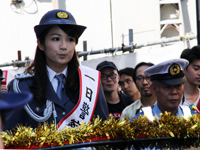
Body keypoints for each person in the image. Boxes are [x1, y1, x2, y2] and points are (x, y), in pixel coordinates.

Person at [4, 9, 109, 131]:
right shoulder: (21, 87)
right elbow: (10, 136)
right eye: (56, 39)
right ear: (41, 44)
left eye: (70, 40)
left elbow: (103, 132)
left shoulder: (90, 81)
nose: (64, 46)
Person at [130, 59, 198, 122]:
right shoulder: (140, 122)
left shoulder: (194, 119)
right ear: (153, 90)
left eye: (178, 86)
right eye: (167, 87)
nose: (174, 92)